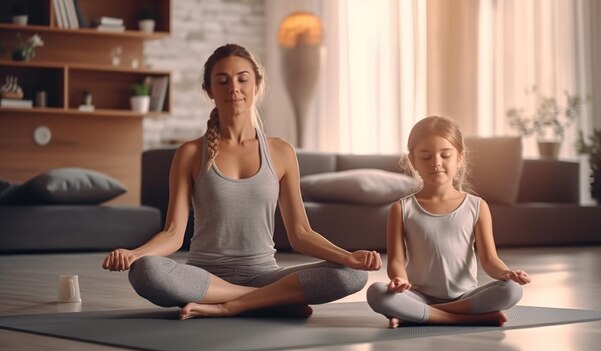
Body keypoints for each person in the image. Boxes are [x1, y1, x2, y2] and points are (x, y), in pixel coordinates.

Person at [102, 44, 381, 320]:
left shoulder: (281, 152)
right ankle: (269, 300)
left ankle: (232, 304)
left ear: (256, 85)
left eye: (242, 79)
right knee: (146, 271)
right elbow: (174, 233)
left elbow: (301, 234)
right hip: (204, 278)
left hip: (266, 275)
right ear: (209, 91)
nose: (233, 87)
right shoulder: (189, 154)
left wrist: (348, 257)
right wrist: (135, 254)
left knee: (352, 275)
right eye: (222, 81)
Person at [366, 116, 531, 328]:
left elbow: (490, 259)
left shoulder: (477, 206)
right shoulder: (400, 209)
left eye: (445, 155)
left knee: (512, 290)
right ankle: (467, 319)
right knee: (377, 293)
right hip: (418, 296)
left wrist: (507, 273)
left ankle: (417, 316)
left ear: (459, 158)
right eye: (425, 156)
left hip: (466, 296)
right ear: (413, 161)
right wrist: (399, 280)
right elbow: (396, 261)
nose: (436, 163)